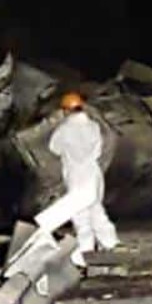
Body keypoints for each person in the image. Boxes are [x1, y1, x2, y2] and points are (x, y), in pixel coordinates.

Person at [37, 91, 119, 266]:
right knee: (96, 210)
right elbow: (98, 151)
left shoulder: (64, 130)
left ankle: (84, 253)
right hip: (94, 174)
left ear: (66, 111)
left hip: (76, 175)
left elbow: (54, 148)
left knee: (80, 217)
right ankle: (110, 243)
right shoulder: (94, 127)